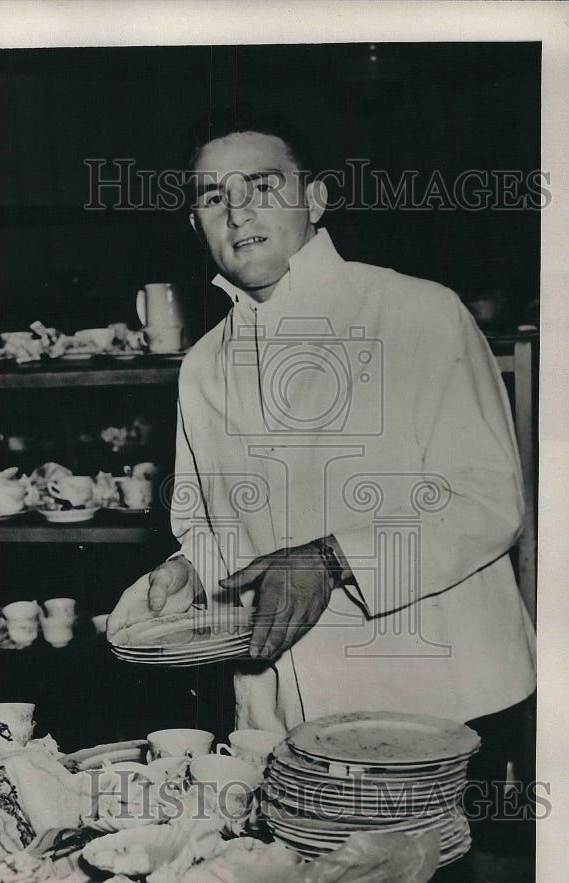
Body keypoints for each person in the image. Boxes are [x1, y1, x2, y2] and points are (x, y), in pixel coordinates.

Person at [107, 106, 536, 785]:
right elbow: (212, 526)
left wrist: (333, 559)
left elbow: (486, 501)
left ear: (314, 198)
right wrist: (187, 571)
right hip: (276, 712)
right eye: (212, 197)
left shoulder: (418, 312)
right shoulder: (205, 364)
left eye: (261, 186)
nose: (237, 212)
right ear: (196, 226)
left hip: (434, 700)